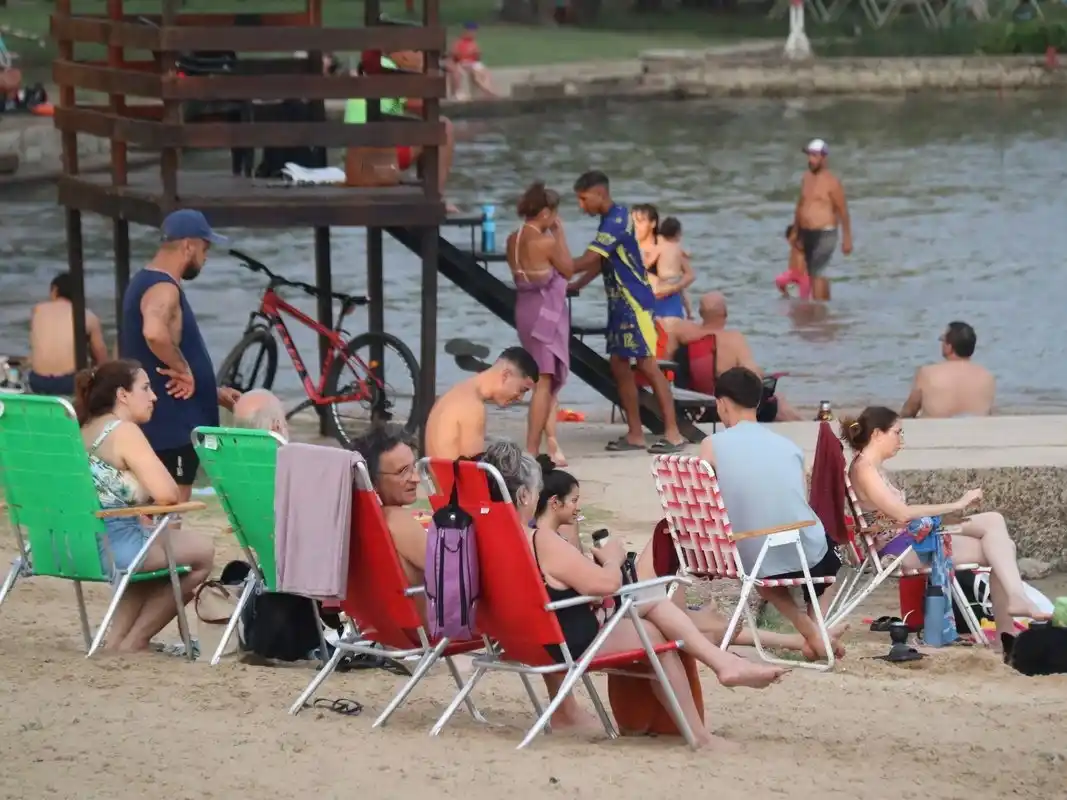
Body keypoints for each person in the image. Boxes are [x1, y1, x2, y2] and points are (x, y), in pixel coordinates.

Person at [484, 441, 787, 748]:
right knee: (656, 629)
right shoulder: (540, 540)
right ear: (524, 495)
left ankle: (722, 667)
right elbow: (604, 586)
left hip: (511, 638)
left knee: (649, 608)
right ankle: (704, 724)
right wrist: (613, 559)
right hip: (560, 642)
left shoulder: (483, 536)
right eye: (535, 491)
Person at [843, 406, 1050, 639]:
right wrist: (956, 505)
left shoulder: (870, 467)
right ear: (877, 434)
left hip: (909, 540)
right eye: (897, 432)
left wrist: (947, 514)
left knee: (994, 521)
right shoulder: (864, 469)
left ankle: (1015, 603)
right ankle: (1008, 625)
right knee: (1004, 549)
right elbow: (902, 514)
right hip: (899, 551)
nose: (901, 440)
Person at [699, 368, 846, 660]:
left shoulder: (711, 446)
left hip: (745, 551)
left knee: (762, 566)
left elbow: (706, 503)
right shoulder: (788, 447)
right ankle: (817, 632)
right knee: (831, 557)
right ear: (758, 403)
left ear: (723, 403)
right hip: (800, 549)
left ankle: (812, 633)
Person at [74, 359, 215, 652]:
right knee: (202, 553)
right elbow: (168, 494)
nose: (154, 396)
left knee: (154, 547)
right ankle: (136, 639)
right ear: (122, 394)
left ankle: (117, 642)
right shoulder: (123, 432)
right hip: (114, 546)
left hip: (74, 544)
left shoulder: (83, 429)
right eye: (146, 388)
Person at [120, 209, 242, 505]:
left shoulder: (142, 282)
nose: (206, 257)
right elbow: (154, 333)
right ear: (188, 246)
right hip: (173, 426)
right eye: (205, 248)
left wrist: (209, 391)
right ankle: (167, 552)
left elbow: (136, 353)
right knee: (172, 511)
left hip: (160, 418)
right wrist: (185, 369)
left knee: (151, 510)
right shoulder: (164, 288)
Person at [568, 171, 685, 453]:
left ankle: (673, 433)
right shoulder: (608, 220)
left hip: (634, 303)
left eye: (584, 199)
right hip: (618, 304)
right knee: (620, 366)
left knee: (647, 365)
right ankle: (634, 434)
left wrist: (558, 265)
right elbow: (602, 261)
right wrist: (577, 284)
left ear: (599, 193)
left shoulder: (618, 219)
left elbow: (590, 259)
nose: (581, 206)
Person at [506, 182, 572, 466]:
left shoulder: (513, 238)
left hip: (524, 307)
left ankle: (542, 443)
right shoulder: (545, 241)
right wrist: (560, 234)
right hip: (545, 312)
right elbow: (567, 268)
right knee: (544, 380)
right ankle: (532, 449)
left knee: (540, 378)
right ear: (546, 213)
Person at [345, 50, 456, 210]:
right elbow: (426, 108)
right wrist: (421, 77)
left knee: (421, 131)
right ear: (403, 56)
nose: (421, 56)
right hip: (375, 160)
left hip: (355, 164)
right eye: (417, 51)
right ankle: (435, 198)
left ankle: (425, 192)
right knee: (443, 128)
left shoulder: (372, 66)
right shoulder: (391, 71)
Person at [670, 292, 801, 422]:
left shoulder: (686, 335)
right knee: (779, 401)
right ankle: (810, 425)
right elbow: (752, 375)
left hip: (697, 405)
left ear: (700, 313)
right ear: (725, 314)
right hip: (731, 406)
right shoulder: (733, 339)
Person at [423, 346, 539, 460]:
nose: (520, 398)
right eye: (522, 390)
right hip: (449, 478)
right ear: (506, 375)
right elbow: (470, 472)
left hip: (437, 474)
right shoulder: (472, 407)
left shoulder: (455, 393)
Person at [350, 425, 425, 592]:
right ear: (373, 481)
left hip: (374, 617)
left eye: (413, 467)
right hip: (426, 617)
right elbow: (455, 572)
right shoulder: (398, 521)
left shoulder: (355, 519)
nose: (416, 478)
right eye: (402, 472)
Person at [26, 272, 109, 395]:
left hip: (37, 381)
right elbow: (101, 356)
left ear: (54, 290)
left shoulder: (38, 310)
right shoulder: (88, 316)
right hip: (69, 383)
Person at [794, 139, 852, 301]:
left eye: (814, 155)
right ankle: (824, 308)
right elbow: (800, 204)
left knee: (816, 271)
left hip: (825, 232)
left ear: (824, 158)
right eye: (808, 155)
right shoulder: (806, 178)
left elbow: (843, 211)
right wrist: (796, 231)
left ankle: (818, 312)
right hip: (806, 232)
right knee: (812, 273)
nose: (810, 159)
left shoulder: (832, 183)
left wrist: (847, 238)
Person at [901, 321, 995, 419]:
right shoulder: (987, 377)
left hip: (936, 432)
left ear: (949, 347)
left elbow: (909, 411)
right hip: (974, 433)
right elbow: (987, 413)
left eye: (943, 340)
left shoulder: (927, 374)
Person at [632, 205, 694, 336]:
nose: (635, 226)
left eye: (640, 221)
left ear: (653, 224)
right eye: (633, 222)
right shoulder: (672, 247)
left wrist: (673, 287)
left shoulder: (660, 246)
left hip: (668, 301)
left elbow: (690, 275)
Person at [445, 23, 496, 100]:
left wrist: (477, 54)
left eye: (474, 32)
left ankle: (488, 90)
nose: (474, 34)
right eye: (471, 32)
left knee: (484, 72)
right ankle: (488, 92)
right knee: (476, 74)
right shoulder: (458, 42)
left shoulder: (473, 43)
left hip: (473, 63)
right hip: (462, 63)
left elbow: (478, 57)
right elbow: (453, 55)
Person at [657, 216, 693, 320]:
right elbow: (690, 276)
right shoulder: (677, 250)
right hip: (671, 298)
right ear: (677, 234)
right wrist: (689, 313)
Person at [774, 224, 812, 300]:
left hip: (803, 275)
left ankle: (805, 301)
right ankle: (786, 294)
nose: (796, 240)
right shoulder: (793, 249)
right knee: (779, 280)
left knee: (804, 297)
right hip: (792, 273)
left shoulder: (803, 249)